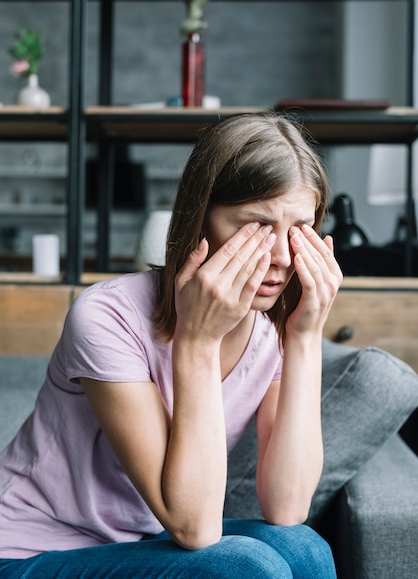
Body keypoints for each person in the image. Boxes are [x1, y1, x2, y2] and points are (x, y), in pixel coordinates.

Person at [0, 111, 342, 578]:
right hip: (26, 551)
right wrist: (197, 342)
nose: (282, 257)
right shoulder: (106, 316)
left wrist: (303, 337)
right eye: (257, 226)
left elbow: (287, 506)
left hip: (142, 541)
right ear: (200, 220)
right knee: (245, 567)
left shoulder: (271, 332)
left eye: (299, 228)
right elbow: (194, 529)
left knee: (304, 548)